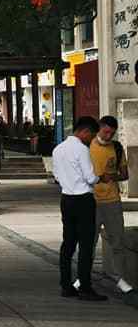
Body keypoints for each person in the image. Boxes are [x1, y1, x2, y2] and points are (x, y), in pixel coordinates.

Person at [52, 116, 108, 302]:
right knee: (85, 245)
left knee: (68, 243)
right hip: (83, 200)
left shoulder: (58, 149)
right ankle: (85, 286)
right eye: (91, 135)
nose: (91, 139)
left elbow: (57, 176)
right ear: (84, 131)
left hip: (66, 199)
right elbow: (90, 177)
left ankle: (65, 285)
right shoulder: (82, 149)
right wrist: (101, 177)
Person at [89, 115, 133, 293]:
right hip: (91, 200)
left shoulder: (116, 148)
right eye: (106, 131)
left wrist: (111, 176)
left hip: (112, 200)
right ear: (99, 128)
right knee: (88, 241)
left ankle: (120, 277)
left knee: (117, 240)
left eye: (112, 133)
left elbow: (124, 174)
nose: (108, 136)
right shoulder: (87, 145)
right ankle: (84, 277)